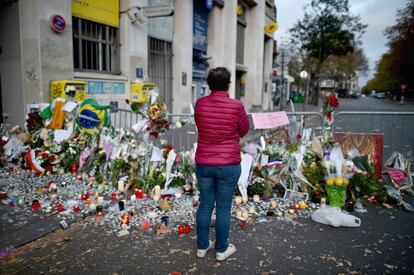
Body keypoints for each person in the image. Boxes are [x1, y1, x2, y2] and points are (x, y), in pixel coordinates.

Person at [194, 67, 250, 261]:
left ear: (209, 84)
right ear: (228, 84)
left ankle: (202, 247)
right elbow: (244, 130)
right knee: (224, 207)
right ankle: (221, 250)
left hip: (204, 162)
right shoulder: (236, 106)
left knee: (205, 204)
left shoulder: (200, 104)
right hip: (228, 164)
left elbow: (201, 127)